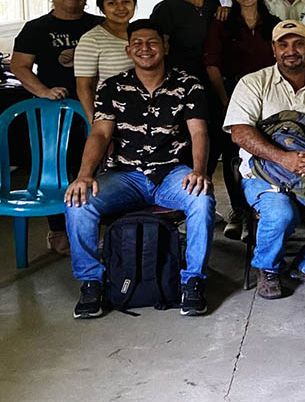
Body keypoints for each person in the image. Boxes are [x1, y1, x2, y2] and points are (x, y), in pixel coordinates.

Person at [63, 19, 214, 318]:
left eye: (153, 42)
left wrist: (199, 170)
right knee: (78, 201)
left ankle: (193, 281)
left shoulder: (188, 84)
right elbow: (100, 133)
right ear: (129, 50)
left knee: (202, 199)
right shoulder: (112, 87)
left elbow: (199, 132)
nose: (146, 48)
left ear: (165, 46)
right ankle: (92, 282)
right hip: (125, 176)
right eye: (138, 44)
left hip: (171, 173)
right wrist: (84, 175)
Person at [223, 20, 305, 300]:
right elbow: (239, 132)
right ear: (273, 49)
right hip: (264, 176)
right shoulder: (253, 83)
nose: (291, 51)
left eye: (298, 44)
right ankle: (267, 268)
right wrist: (283, 159)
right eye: (283, 44)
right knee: (282, 212)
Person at [11, 0, 101, 255]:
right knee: (57, 170)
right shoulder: (36, 28)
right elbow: (19, 66)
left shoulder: (98, 25)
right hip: (55, 113)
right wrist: (43, 91)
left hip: (94, 109)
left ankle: (89, 225)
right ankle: (58, 229)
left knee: (94, 167)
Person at [203, 0, 280, 240]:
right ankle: (239, 211)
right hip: (231, 94)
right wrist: (225, 100)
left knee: (265, 149)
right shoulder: (223, 22)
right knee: (233, 155)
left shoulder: (273, 24)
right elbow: (212, 64)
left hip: (268, 97)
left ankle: (260, 210)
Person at [150, 0, 221, 84]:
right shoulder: (167, 8)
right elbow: (156, 53)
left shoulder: (213, 3)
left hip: (210, 79)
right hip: (177, 82)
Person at [75, 0, 136, 121]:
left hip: (143, 114)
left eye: (126, 1)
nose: (120, 8)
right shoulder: (91, 39)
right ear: (102, 8)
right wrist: (95, 122)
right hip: (111, 114)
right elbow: (84, 87)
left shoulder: (141, 34)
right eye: (112, 3)